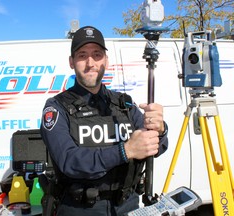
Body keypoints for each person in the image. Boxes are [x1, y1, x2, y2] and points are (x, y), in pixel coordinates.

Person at [40, 26, 168, 216]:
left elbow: (158, 148)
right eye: (82, 55)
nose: (90, 62)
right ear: (71, 62)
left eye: (97, 54)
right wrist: (125, 151)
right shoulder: (56, 107)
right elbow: (69, 161)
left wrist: (160, 130)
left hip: (128, 205)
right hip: (80, 209)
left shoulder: (124, 104)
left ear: (106, 61)